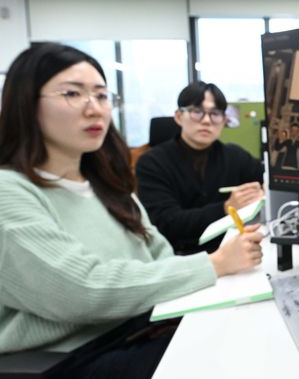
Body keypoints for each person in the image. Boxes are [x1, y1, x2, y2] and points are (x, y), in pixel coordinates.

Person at [0, 43, 264, 378]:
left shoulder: (107, 185)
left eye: (101, 95)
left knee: (250, 330)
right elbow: (83, 289)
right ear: (25, 103)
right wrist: (215, 263)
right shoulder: (10, 191)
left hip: (142, 326)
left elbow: (160, 255)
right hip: (72, 356)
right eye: (72, 93)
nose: (94, 109)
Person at [136, 81, 264, 254]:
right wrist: (225, 208)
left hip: (230, 251)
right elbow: (166, 222)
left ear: (224, 120)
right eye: (197, 112)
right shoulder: (152, 163)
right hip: (178, 257)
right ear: (178, 117)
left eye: (215, 114)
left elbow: (267, 181)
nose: (206, 121)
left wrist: (263, 192)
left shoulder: (235, 156)